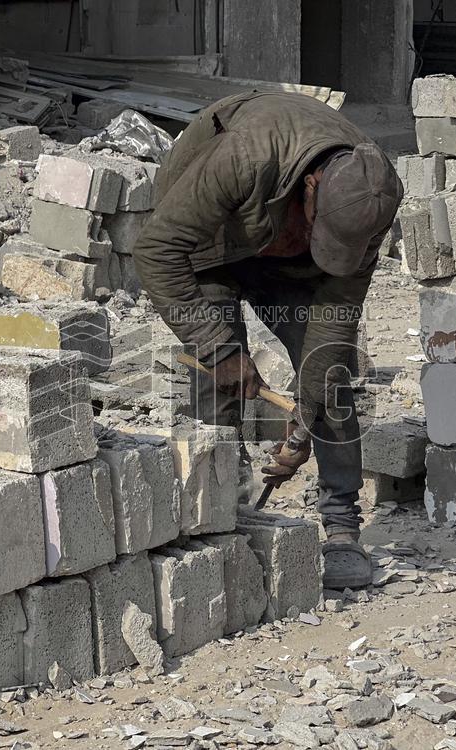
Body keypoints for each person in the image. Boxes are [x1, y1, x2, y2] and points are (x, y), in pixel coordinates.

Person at [133, 91, 402, 589]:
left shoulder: (375, 195)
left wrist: (304, 424)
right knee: (219, 382)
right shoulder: (245, 157)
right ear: (311, 186)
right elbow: (155, 250)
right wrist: (217, 347)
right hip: (209, 243)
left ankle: (342, 528)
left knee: (330, 377)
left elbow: (334, 323)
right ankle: (218, 513)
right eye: (320, 227)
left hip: (289, 260)